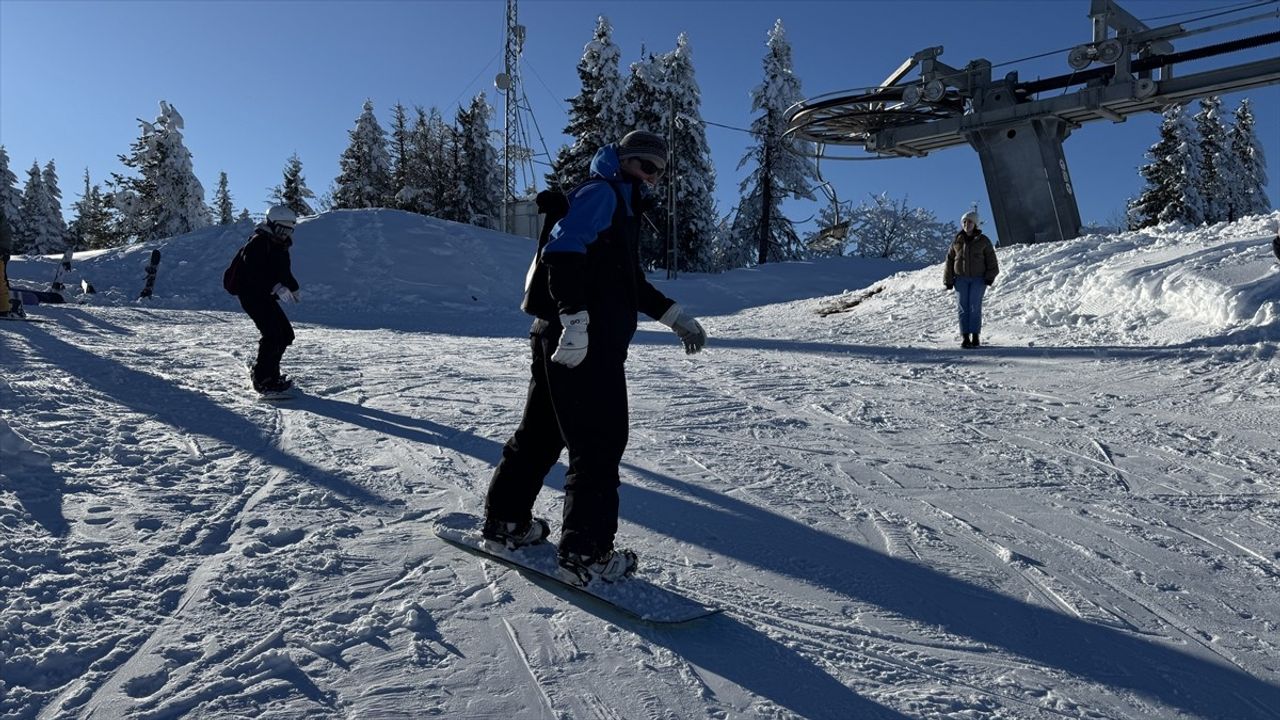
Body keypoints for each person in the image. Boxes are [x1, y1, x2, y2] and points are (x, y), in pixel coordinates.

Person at [483, 130, 708, 585]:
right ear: (625, 160)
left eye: (660, 173)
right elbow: (561, 251)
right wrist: (576, 319)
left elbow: (629, 284)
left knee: (543, 433)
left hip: (565, 336)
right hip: (583, 340)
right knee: (599, 445)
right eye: (647, 167)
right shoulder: (602, 193)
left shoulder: (618, 204)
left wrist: (675, 316)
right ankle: (586, 553)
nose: (653, 178)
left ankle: (506, 524)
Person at [236, 205, 301, 393]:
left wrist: (293, 288)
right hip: (251, 295)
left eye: (289, 230)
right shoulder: (258, 242)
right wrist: (276, 286)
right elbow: (252, 272)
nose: (284, 234)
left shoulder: (280, 245)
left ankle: (271, 372)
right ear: (271, 225)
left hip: (265, 296)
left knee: (286, 334)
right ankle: (263, 379)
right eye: (281, 229)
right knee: (273, 335)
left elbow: (283, 271)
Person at [943, 210, 999, 348]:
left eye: (970, 222)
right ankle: (965, 337)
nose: (966, 224)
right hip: (960, 280)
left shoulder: (984, 241)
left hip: (978, 279)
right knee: (963, 307)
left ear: (975, 224)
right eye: (964, 222)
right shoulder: (957, 240)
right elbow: (949, 261)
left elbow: (992, 261)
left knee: (974, 307)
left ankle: (975, 336)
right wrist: (948, 280)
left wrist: (989, 277)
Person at [0, 209, 20, 319]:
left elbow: (4, 232)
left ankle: (3, 308)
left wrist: (3, 249)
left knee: (0, 280)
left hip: (1, 251)